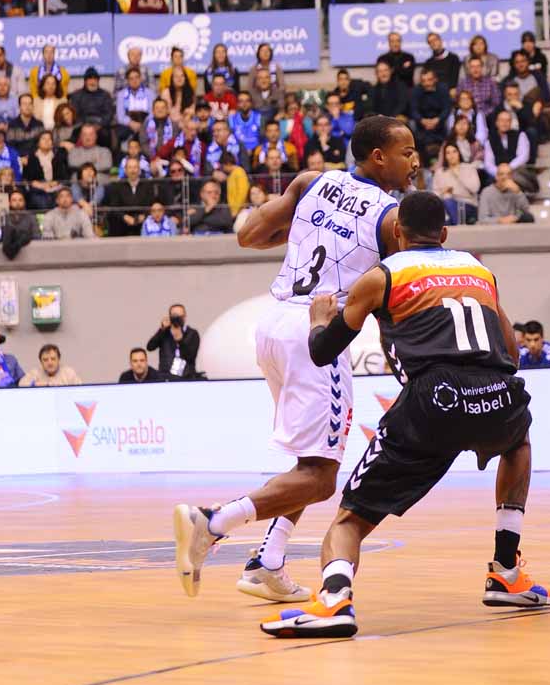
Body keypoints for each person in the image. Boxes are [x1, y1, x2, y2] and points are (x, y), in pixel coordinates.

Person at [257, 191, 550, 638]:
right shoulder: (479, 270)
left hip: (432, 397)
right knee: (518, 440)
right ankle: (506, 569)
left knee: (349, 520)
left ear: (396, 232)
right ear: (446, 234)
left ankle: (335, 600)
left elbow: (322, 352)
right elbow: (510, 350)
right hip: (499, 390)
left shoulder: (382, 274)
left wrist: (319, 318)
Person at [173, 115, 419, 604]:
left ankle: (268, 562)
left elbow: (249, 235)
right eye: (407, 151)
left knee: (309, 462)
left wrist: (310, 231)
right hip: (316, 331)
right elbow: (393, 297)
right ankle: (212, 522)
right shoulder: (392, 218)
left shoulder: (311, 182)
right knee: (322, 476)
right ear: (378, 157)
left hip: (271, 323)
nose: (415, 160)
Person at [148, 303, 200, 380]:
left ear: (185, 317)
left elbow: (191, 357)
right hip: (165, 377)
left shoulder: (192, 334)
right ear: (169, 317)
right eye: (174, 317)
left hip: (186, 377)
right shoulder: (164, 333)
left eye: (180, 317)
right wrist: (161, 330)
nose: (177, 320)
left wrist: (180, 340)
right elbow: (150, 347)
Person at [432, 142, 480, 224]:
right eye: (448, 153)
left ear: (459, 153)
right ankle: (455, 225)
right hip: (446, 206)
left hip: (468, 204)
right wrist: (443, 192)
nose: (452, 155)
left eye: (454, 151)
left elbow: (475, 188)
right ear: (445, 156)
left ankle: (455, 226)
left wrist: (458, 175)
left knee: (448, 213)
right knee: (447, 199)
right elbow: (434, 195)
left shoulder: (469, 168)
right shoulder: (440, 172)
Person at [410, 69, 450, 163]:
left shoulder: (443, 89)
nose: (427, 83)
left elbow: (447, 108)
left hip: (440, 122)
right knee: (412, 125)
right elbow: (413, 110)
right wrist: (422, 120)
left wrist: (438, 119)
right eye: (424, 81)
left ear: (435, 79)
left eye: (429, 80)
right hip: (422, 123)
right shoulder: (416, 91)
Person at [69, 68, 114, 134]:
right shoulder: (76, 95)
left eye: (95, 79)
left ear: (98, 81)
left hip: (100, 126)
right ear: (85, 81)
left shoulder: (105, 95)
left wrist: (100, 125)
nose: (92, 82)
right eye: (90, 79)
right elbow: (75, 114)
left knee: (105, 134)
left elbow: (108, 114)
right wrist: (86, 126)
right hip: (82, 125)